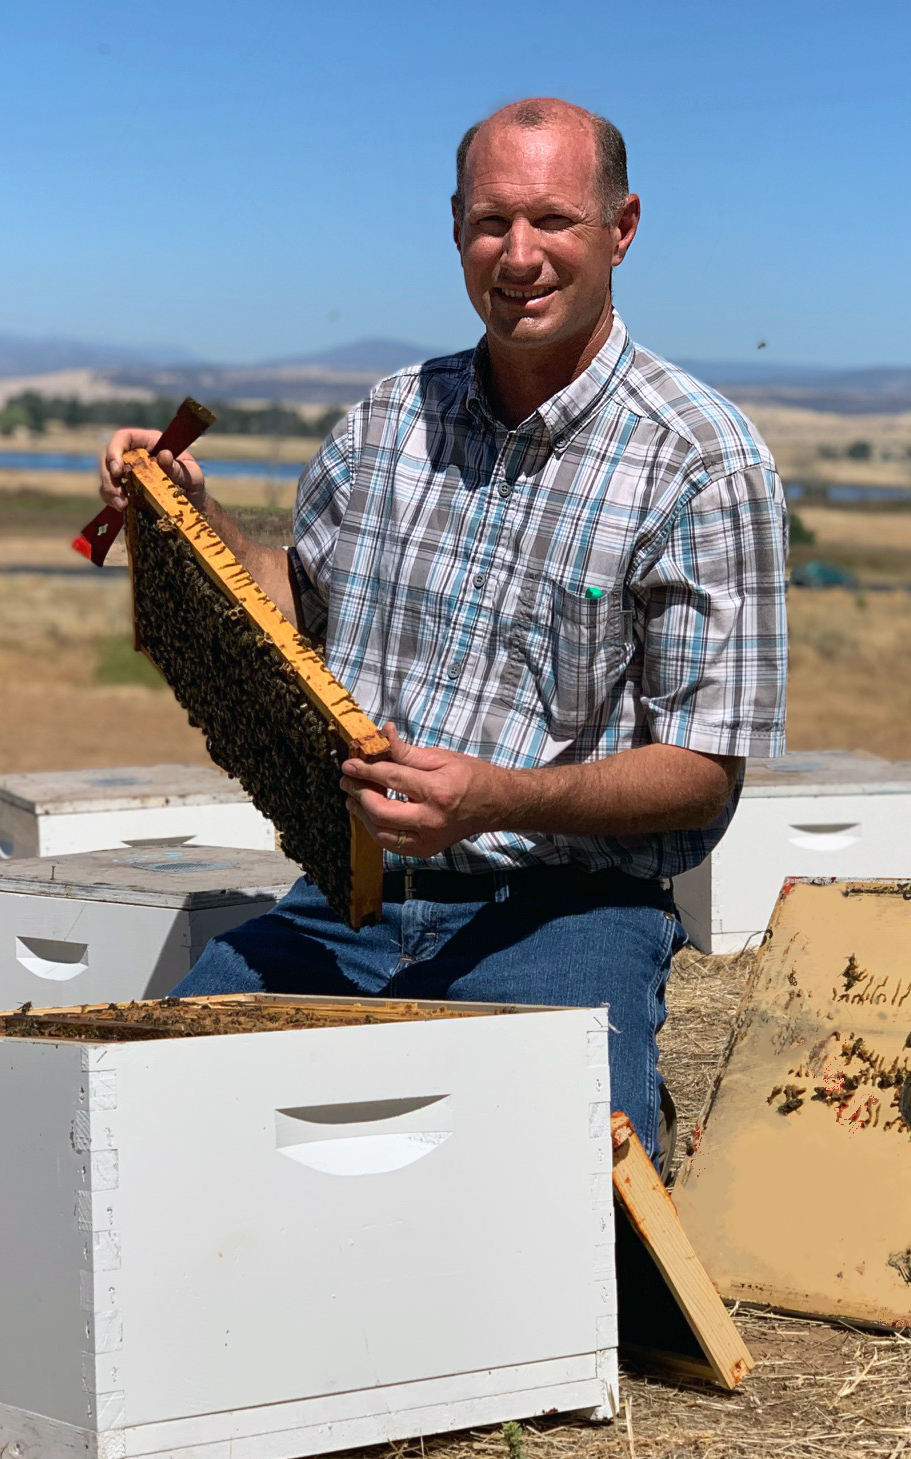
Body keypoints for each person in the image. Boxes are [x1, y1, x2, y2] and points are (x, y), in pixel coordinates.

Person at [97, 98, 787, 1160]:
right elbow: (298, 618)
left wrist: (495, 800)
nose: (517, 256)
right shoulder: (383, 421)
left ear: (621, 227)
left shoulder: (699, 461)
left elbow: (702, 770)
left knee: (576, 1214)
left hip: (565, 916)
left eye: (551, 220)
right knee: (148, 1127)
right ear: (453, 227)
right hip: (352, 904)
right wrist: (189, 514)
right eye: (488, 222)